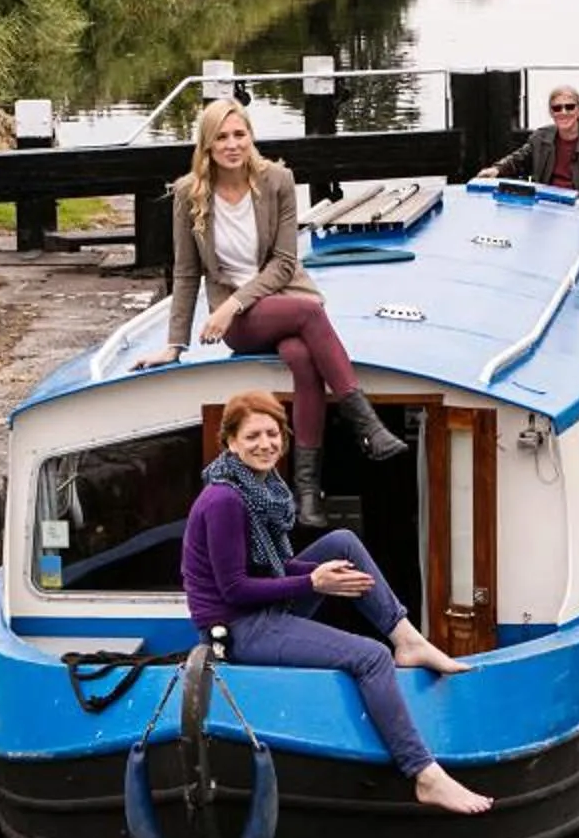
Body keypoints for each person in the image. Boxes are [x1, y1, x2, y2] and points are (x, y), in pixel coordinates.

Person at [185, 389, 492, 817]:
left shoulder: (261, 489)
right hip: (239, 630)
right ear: (231, 442)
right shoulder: (224, 500)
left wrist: (312, 577)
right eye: (252, 435)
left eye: (273, 433)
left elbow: (272, 568)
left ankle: (409, 639)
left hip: (264, 612)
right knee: (370, 658)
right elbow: (234, 590)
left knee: (343, 543)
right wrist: (312, 581)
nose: (265, 444)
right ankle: (423, 773)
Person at [137, 97, 405, 527]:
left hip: (269, 299)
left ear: (251, 137)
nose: (232, 144)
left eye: (239, 134)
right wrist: (175, 343)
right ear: (206, 144)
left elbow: (283, 263)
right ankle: (365, 424)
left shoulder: (277, 180)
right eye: (221, 137)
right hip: (241, 323)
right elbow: (186, 273)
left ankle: (307, 494)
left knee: (302, 357)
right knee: (311, 315)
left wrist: (235, 302)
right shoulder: (189, 193)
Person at [489, 83, 579, 194]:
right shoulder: (539, 138)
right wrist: (496, 169)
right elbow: (518, 160)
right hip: (546, 205)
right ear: (551, 112)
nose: (563, 112)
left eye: (569, 107)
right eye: (557, 108)